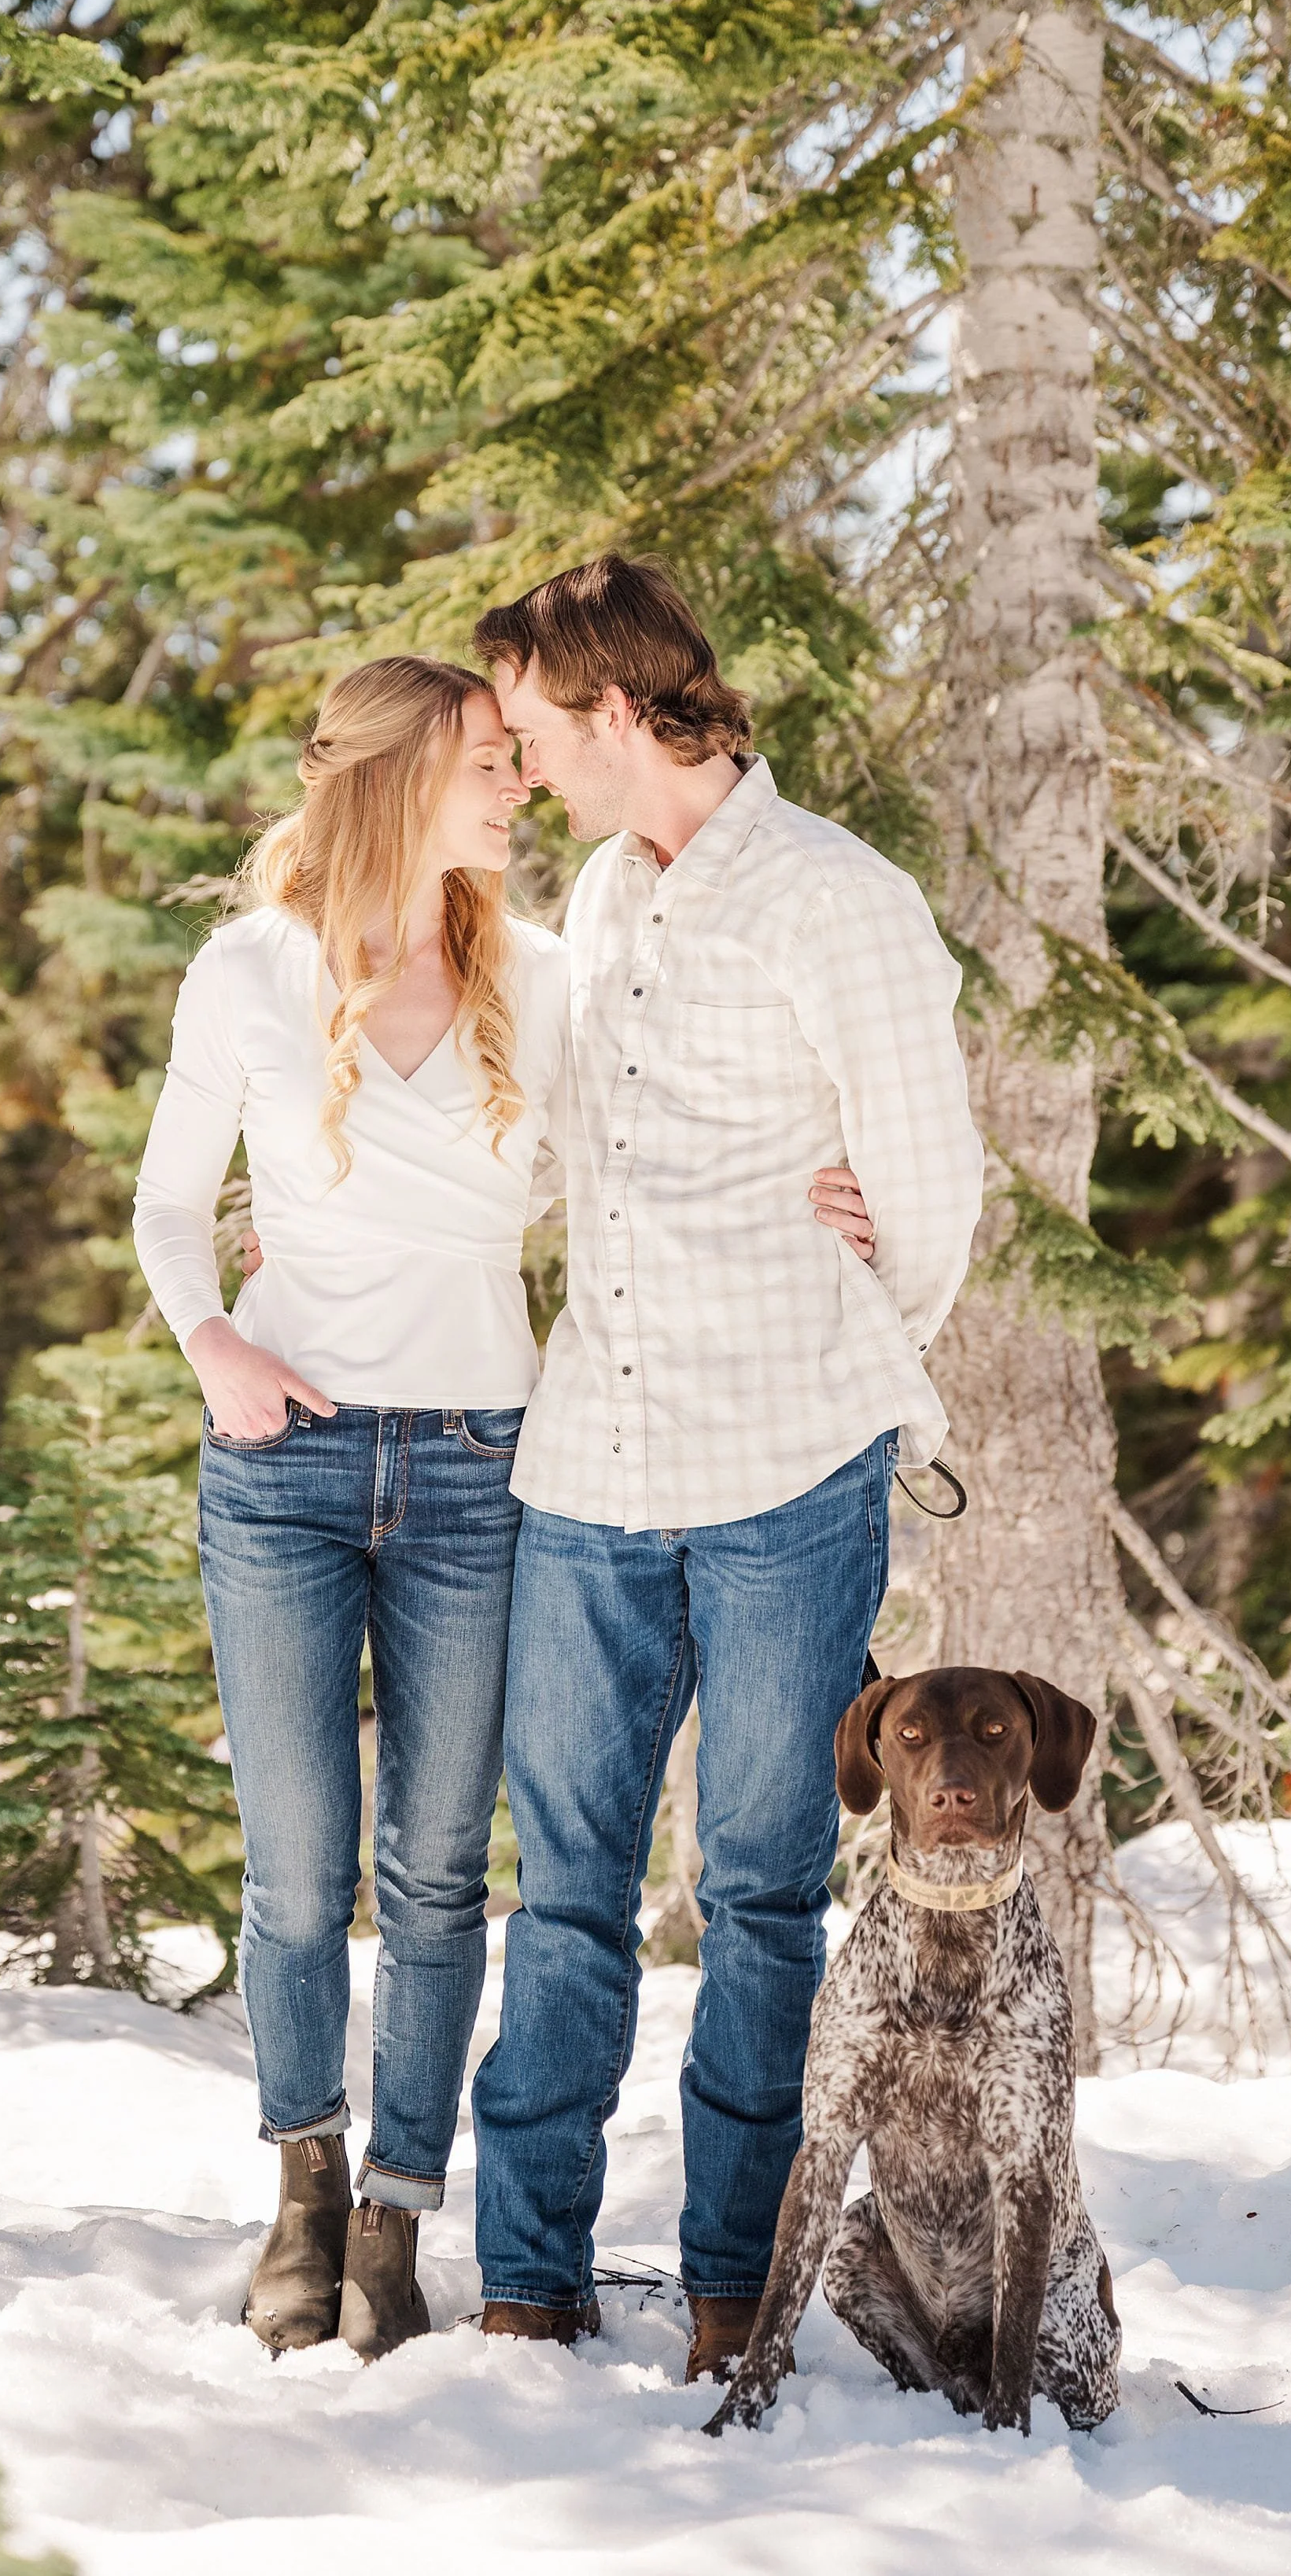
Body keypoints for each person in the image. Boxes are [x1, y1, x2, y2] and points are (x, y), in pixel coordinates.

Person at [133, 650, 868, 2368]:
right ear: (397, 770)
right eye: (486, 755)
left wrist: (828, 1183)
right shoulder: (247, 970)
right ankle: (303, 2190)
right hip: (284, 1466)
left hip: (479, 1465)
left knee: (442, 1875)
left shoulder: (536, 977)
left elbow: (650, 1146)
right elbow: (174, 1206)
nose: (517, 781)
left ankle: (397, 2214)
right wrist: (211, 1342)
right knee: (300, 1872)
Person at [467, 554, 985, 2383]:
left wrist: (841, 1309)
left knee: (762, 1891)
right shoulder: (604, 898)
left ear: (615, 712)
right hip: (587, 1473)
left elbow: (926, 1196)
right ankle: (526, 2276)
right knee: (571, 1886)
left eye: (529, 730)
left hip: (781, 1475)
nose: (515, 766)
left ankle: (722, 2285)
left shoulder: (837, 900)